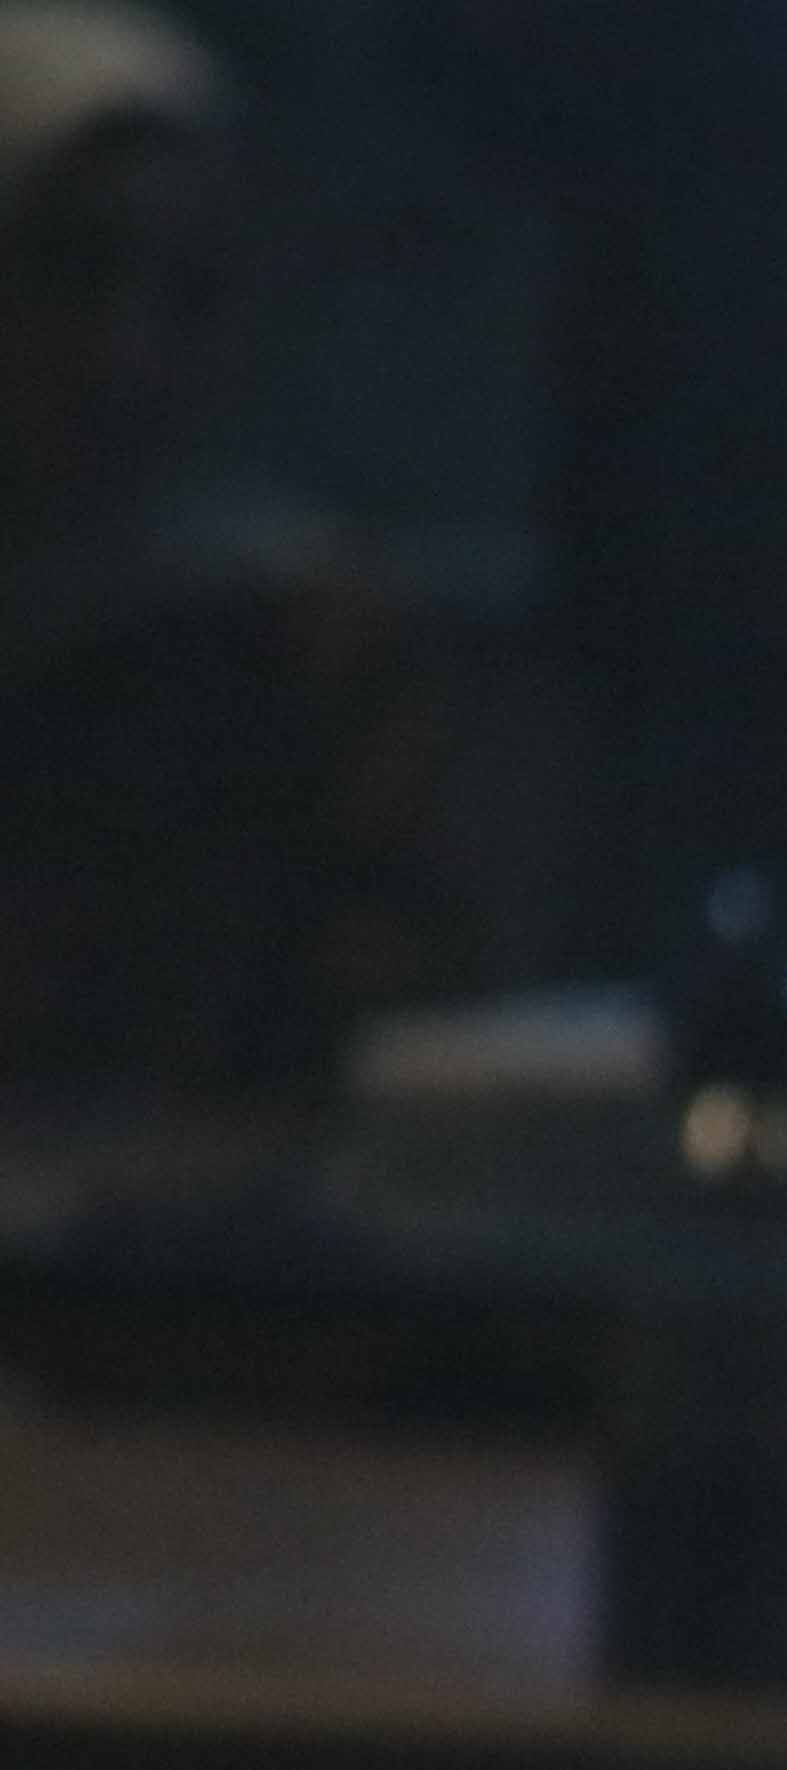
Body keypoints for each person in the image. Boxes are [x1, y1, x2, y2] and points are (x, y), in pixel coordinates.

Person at [0, 3, 474, 1108]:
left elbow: (391, 1039)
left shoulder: (302, 647)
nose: (125, 353)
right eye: (69, 268)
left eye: (189, 287)